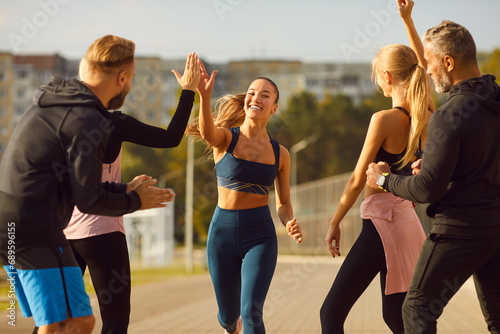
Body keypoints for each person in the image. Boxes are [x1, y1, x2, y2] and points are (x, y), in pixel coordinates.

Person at [0, 35, 174, 334]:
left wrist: (126, 190)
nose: (129, 84)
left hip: (15, 222)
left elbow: (79, 184)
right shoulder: (86, 119)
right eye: (131, 78)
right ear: (122, 78)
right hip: (33, 228)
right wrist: (136, 202)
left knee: (57, 322)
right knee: (77, 322)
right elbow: (90, 201)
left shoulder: (57, 101)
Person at [366, 2, 500, 333]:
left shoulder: (449, 115)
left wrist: (384, 179)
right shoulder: (494, 101)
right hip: (495, 229)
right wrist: (446, 164)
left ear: (448, 62)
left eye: (428, 62)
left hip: (459, 231)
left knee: (417, 309)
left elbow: (427, 189)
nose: (425, 70)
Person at [56, 53, 200, 334]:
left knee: (55, 319)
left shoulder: (60, 121)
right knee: (115, 321)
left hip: (61, 232)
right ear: (117, 80)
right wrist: (188, 92)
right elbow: (170, 138)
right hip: (102, 231)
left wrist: (122, 186)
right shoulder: (114, 122)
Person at [320, 2, 435, 332]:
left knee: (330, 314)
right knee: (396, 318)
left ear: (386, 76)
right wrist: (407, 20)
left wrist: (335, 222)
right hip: (409, 223)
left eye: (378, 78)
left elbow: (358, 178)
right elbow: (424, 67)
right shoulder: (425, 114)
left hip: (380, 225)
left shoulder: (383, 119)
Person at [186, 62, 303, 334]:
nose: (256, 98)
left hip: (260, 235)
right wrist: (204, 96)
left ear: (274, 108)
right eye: (252, 92)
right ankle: (230, 325)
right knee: (229, 317)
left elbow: (283, 204)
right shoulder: (227, 139)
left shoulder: (280, 153)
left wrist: (288, 222)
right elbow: (207, 133)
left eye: (265, 94)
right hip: (222, 235)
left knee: (251, 312)